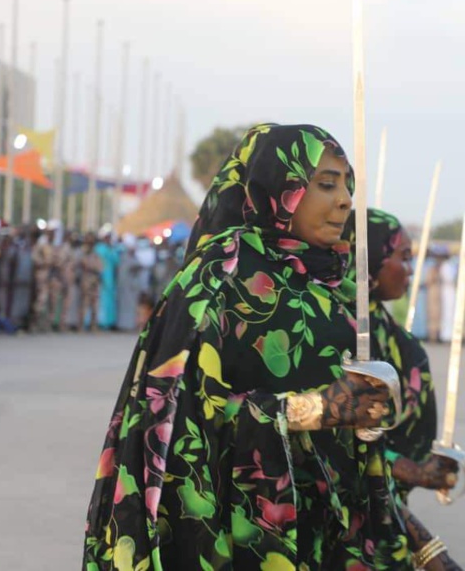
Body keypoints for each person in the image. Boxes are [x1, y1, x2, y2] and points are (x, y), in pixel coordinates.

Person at [84, 124, 443, 571]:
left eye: (348, 185)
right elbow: (176, 423)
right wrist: (310, 410)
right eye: (326, 184)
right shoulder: (216, 284)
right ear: (280, 186)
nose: (346, 200)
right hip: (240, 533)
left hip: (326, 535)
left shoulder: (335, 291)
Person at [342, 209, 460, 518]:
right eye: (403, 257)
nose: (410, 270)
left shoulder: (396, 339)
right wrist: (406, 468)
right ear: (366, 259)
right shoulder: (333, 328)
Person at [78, 234, 103, 332]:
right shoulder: (83, 253)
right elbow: (85, 265)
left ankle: (93, 326)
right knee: (84, 304)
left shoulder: (95, 254)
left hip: (94, 282)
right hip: (86, 282)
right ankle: (81, 326)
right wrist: (93, 267)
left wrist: (93, 267)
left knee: (95, 305)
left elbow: (100, 267)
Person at [95, 234, 121, 329]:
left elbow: (116, 261)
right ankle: (98, 322)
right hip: (100, 277)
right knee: (100, 300)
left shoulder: (111, 249)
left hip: (109, 277)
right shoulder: (99, 248)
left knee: (109, 300)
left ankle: (108, 322)